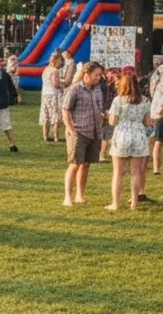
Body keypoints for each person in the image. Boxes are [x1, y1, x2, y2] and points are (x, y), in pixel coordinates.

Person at [105, 71, 152, 211]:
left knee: (118, 172)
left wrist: (109, 116)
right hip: (138, 135)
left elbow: (113, 122)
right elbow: (146, 122)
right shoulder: (145, 101)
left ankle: (115, 203)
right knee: (136, 172)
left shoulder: (118, 100)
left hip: (122, 135)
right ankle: (134, 203)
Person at [62, 61, 104, 207]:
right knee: (75, 164)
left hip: (94, 132)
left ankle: (80, 196)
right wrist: (69, 128)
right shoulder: (75, 89)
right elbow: (65, 110)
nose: (99, 77)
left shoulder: (98, 89)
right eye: (96, 75)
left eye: (100, 75)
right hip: (78, 132)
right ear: (87, 73)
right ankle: (67, 197)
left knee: (86, 165)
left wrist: (103, 114)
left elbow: (99, 108)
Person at [39, 53, 65, 144]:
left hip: (45, 94)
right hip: (54, 95)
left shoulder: (46, 69)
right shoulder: (55, 71)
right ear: (57, 61)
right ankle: (56, 137)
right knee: (55, 115)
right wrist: (62, 85)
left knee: (46, 115)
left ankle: (45, 135)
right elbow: (55, 84)